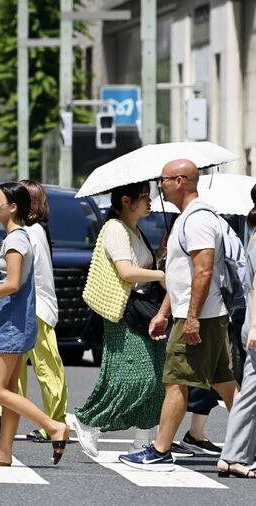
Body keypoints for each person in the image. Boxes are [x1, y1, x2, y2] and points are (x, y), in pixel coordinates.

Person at [119, 159, 240, 471]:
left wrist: (191, 318)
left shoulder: (198, 220)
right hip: (199, 313)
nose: (160, 185)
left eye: (165, 179)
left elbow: (203, 270)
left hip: (199, 315)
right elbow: (182, 275)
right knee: (225, 383)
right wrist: (163, 312)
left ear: (182, 181)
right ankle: (246, 443)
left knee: (175, 381)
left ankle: (159, 449)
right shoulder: (186, 220)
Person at [0, 182, 70, 467]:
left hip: (12, 324)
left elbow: (12, 283)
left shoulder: (17, 240)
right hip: (14, 322)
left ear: (13, 207)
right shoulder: (17, 238)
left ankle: (54, 426)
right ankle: (3, 452)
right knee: (10, 391)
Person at [68, 182, 167, 456]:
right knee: (136, 376)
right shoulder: (114, 229)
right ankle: (89, 419)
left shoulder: (136, 230)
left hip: (144, 309)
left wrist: (160, 255)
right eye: (144, 197)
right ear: (126, 200)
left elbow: (142, 266)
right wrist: (161, 275)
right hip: (124, 312)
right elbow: (127, 272)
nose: (150, 202)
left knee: (156, 377)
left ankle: (143, 441)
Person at [216, 183, 256, 478]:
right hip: (255, 324)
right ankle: (235, 455)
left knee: (248, 394)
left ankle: (234, 454)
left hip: (252, 324)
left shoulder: (254, 235)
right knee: (249, 394)